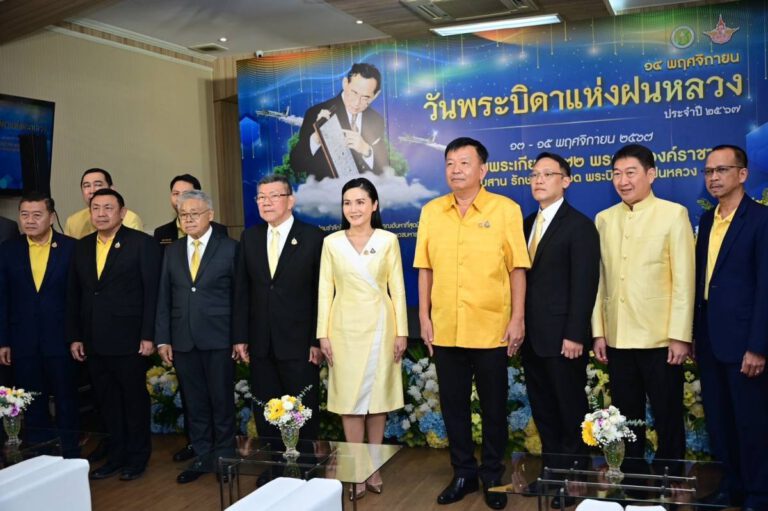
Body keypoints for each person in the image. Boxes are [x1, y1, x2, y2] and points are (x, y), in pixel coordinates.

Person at [414, 137, 530, 510]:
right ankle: (463, 472)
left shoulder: (505, 209)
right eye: (450, 163)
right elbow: (424, 268)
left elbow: (517, 269)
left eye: (464, 163)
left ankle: (492, 475)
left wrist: (517, 318)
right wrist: (423, 317)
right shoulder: (432, 211)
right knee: (453, 406)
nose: (456, 170)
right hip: (446, 327)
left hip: (492, 328)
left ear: (483, 169)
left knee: (495, 407)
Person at [591, 144, 694, 475]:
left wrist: (680, 336)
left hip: (660, 339)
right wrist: (598, 332)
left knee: (667, 414)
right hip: (618, 338)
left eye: (630, 172)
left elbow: (684, 281)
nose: (623, 181)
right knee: (626, 417)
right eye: (617, 174)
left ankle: (671, 479)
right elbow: (600, 282)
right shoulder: (604, 219)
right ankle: (631, 478)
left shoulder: (673, 213)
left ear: (651, 174)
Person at [317, 177, 407, 500]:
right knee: (350, 401)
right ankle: (356, 468)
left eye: (360, 202)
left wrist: (401, 331)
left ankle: (373, 466)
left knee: (377, 400)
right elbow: (325, 290)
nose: (353, 208)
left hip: (381, 327)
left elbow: (397, 287)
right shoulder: (332, 243)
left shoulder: (387, 240)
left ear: (374, 205)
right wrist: (322, 334)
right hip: (342, 330)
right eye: (347, 202)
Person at [521, 152, 600, 508]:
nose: (539, 180)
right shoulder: (525, 223)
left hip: (563, 338)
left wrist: (575, 335)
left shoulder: (579, 225)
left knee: (570, 410)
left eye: (548, 174)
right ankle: (552, 472)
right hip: (532, 338)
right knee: (544, 410)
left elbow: (585, 285)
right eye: (535, 174)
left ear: (566, 181)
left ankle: (577, 479)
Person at [67, 188, 161, 481]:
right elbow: (75, 296)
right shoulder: (80, 247)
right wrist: (76, 336)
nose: (102, 214)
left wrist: (149, 336)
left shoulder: (142, 244)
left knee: (133, 402)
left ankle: (137, 458)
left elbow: (152, 293)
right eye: (96, 208)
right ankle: (115, 455)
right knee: (106, 404)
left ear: (122, 212)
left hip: (130, 340)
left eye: (108, 208)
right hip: (94, 340)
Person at [694, 145, 768, 511]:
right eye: (708, 171)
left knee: (751, 423)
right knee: (720, 422)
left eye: (722, 170)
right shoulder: (708, 220)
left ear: (742, 174)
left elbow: (766, 287)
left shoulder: (761, 220)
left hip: (744, 344)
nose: (714, 177)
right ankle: (732, 486)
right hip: (710, 339)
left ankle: (759, 493)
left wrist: (758, 345)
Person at [233, 175, 324, 443]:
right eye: (261, 197)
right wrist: (240, 336)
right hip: (261, 344)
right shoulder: (250, 237)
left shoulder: (313, 237)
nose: (266, 202)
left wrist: (316, 340)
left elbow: (322, 293)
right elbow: (242, 291)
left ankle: (305, 469)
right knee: (266, 411)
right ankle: (273, 471)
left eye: (274, 196)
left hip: (300, 344)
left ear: (291, 201)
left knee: (302, 410)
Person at [155, 190, 238, 484]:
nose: (188, 219)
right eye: (183, 215)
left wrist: (238, 339)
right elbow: (164, 297)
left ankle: (225, 459)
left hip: (219, 339)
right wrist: (163, 339)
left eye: (194, 214)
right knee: (194, 404)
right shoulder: (172, 250)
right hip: (183, 341)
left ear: (210, 216)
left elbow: (239, 298)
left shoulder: (229, 248)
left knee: (221, 404)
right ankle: (203, 457)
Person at [0, 193, 80, 455]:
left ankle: (70, 456)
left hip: (61, 340)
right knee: (32, 402)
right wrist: (4, 341)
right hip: (23, 341)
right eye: (25, 215)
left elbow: (78, 298)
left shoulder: (72, 248)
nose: (30, 220)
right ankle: (40, 456)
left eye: (37, 215)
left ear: (51, 217)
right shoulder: (8, 250)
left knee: (66, 400)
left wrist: (77, 336)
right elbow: (3, 298)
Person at [290, 63, 389, 181]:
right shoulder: (315, 113)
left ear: (376, 95)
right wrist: (316, 139)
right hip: (327, 196)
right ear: (345, 84)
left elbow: (385, 170)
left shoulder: (376, 120)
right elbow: (296, 164)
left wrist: (366, 151)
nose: (357, 103)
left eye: (366, 97)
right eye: (354, 92)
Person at [64, 168, 143, 239]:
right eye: (87, 186)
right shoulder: (72, 221)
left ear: (112, 189)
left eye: (98, 185)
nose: (92, 190)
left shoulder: (129, 219)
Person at [153, 174, 228, 247]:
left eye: (186, 194)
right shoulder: (161, 233)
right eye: (176, 193)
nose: (180, 198)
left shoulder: (218, 230)